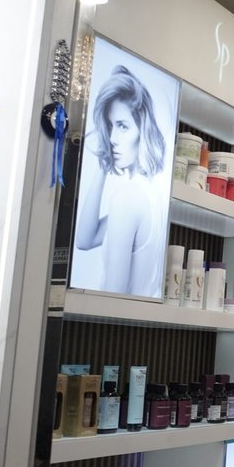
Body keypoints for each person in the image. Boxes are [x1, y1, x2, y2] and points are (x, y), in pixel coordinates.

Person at [74, 64, 168, 296]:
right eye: (109, 126)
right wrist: (102, 167)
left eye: (122, 126)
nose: (112, 138)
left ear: (143, 129)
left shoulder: (128, 198)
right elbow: (85, 240)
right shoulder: (150, 192)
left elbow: (112, 296)